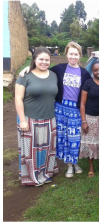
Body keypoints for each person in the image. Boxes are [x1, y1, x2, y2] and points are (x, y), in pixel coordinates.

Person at [15, 47, 58, 186]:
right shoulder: (25, 76)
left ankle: (46, 173)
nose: (44, 62)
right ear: (34, 59)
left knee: (47, 148)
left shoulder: (53, 75)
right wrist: (22, 120)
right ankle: (32, 176)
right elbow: (18, 99)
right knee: (31, 150)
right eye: (41, 59)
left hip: (49, 118)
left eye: (47, 59)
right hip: (29, 118)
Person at [50, 41, 91, 178]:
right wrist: (28, 70)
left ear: (80, 55)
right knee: (63, 138)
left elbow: (90, 88)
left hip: (75, 110)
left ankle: (75, 161)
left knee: (74, 138)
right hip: (60, 109)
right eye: (70, 54)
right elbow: (42, 71)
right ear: (66, 54)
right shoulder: (59, 69)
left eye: (76, 54)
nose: (73, 57)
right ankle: (69, 165)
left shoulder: (84, 73)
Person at [79, 62, 99, 177]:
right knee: (91, 142)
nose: (98, 72)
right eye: (95, 70)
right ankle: (91, 166)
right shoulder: (88, 83)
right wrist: (84, 121)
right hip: (90, 117)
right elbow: (82, 104)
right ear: (92, 71)